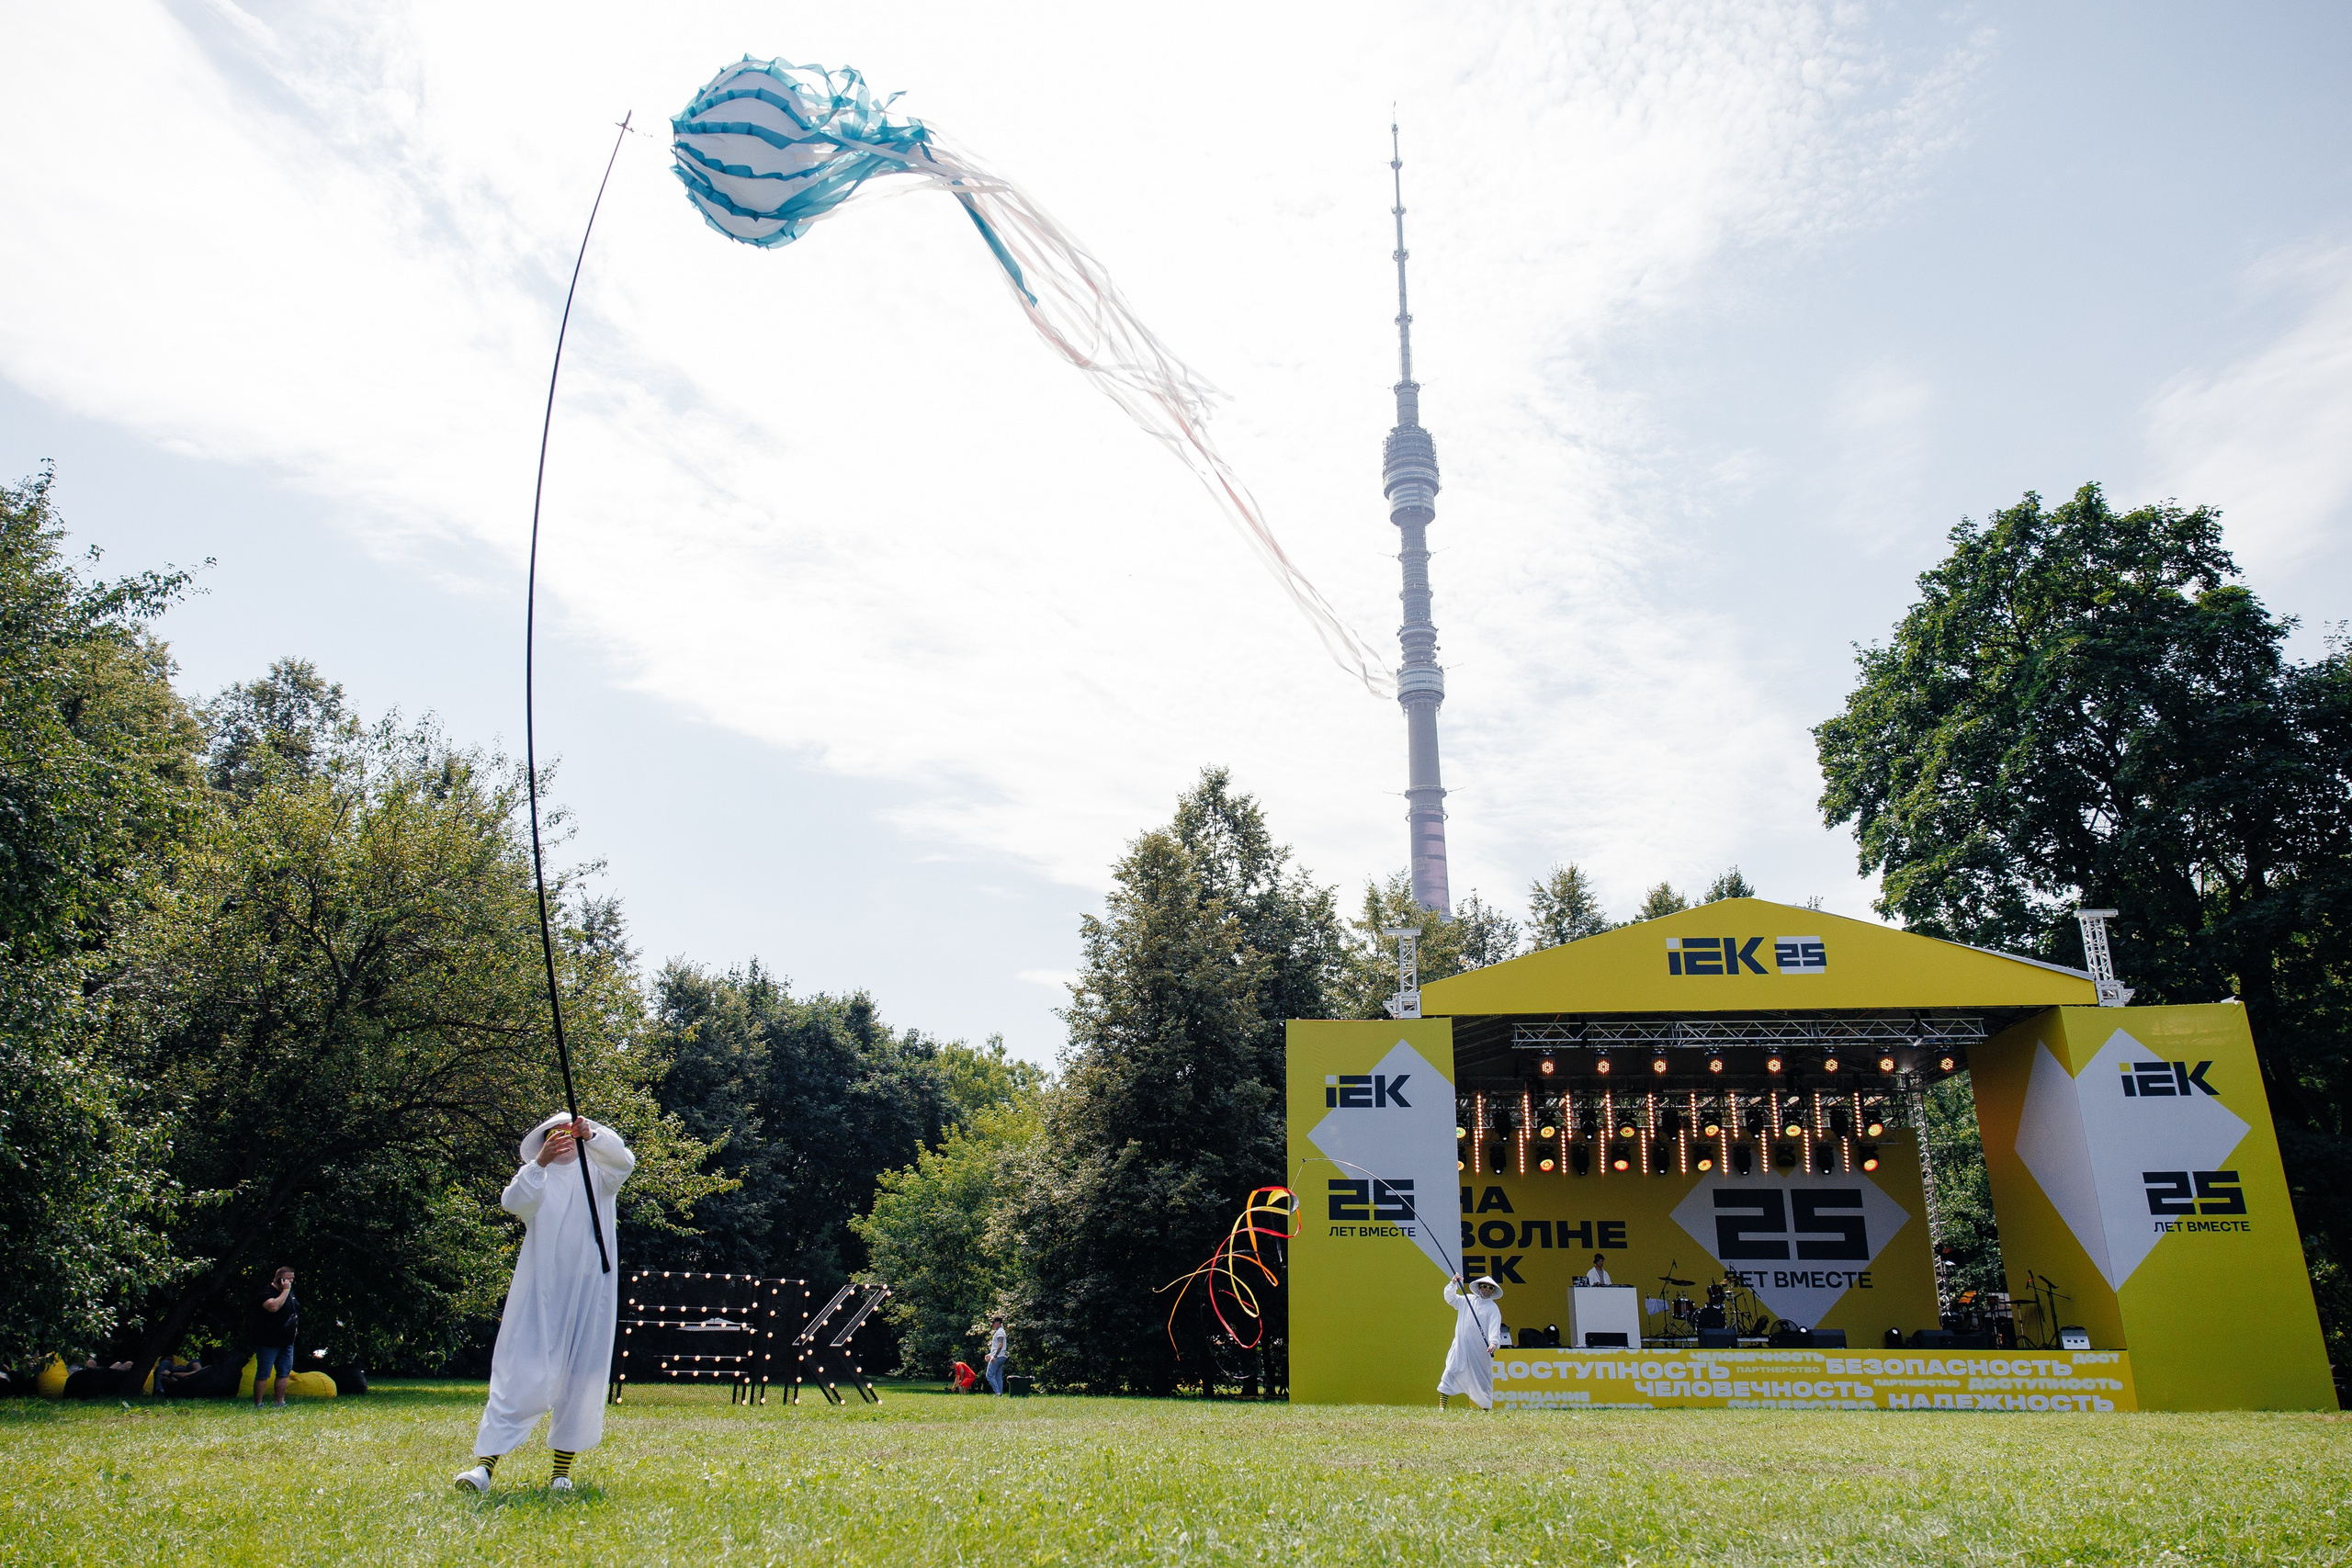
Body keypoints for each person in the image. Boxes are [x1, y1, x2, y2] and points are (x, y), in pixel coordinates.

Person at [454, 1112, 635, 1495]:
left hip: (591, 1292)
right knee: (519, 1372)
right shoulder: (538, 1178)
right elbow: (513, 1202)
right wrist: (540, 1163)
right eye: (556, 1135)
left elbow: (623, 1161)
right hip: (541, 1292)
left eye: (572, 1132)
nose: (565, 1139)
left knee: (582, 1378)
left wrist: (595, 1135)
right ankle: (484, 1469)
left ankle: (560, 1474)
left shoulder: (601, 1176)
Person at [1438, 1273, 1507, 1410]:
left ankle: (1486, 1409)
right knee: (1450, 1371)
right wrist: (1453, 1284)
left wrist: (1493, 1343)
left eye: (1490, 1288)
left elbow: (1495, 1329)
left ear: (1493, 1291)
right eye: (1484, 1286)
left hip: (1480, 1350)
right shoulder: (1467, 1300)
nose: (1487, 1289)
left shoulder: (1492, 1308)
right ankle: (1441, 1407)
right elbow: (1450, 1299)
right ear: (1480, 1287)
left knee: (1482, 1381)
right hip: (1460, 1347)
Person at [252, 1266, 299, 1407]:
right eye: (288, 1279)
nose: (291, 1282)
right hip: (268, 1341)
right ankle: (258, 1403)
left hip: (287, 1341)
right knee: (264, 1373)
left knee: (284, 1372)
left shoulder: (290, 1293)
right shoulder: (265, 1293)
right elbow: (273, 1307)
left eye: (292, 1279)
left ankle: (279, 1402)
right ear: (280, 1279)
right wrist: (285, 1291)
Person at [984, 1315, 1007, 1395]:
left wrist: (994, 1356)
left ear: (997, 1323)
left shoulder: (1000, 1332)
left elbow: (1000, 1344)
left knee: (989, 1375)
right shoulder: (1002, 1331)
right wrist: (990, 1354)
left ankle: (997, 1392)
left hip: (998, 1357)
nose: (992, 1325)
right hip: (1002, 1356)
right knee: (998, 1377)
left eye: (993, 1323)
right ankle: (1000, 1393)